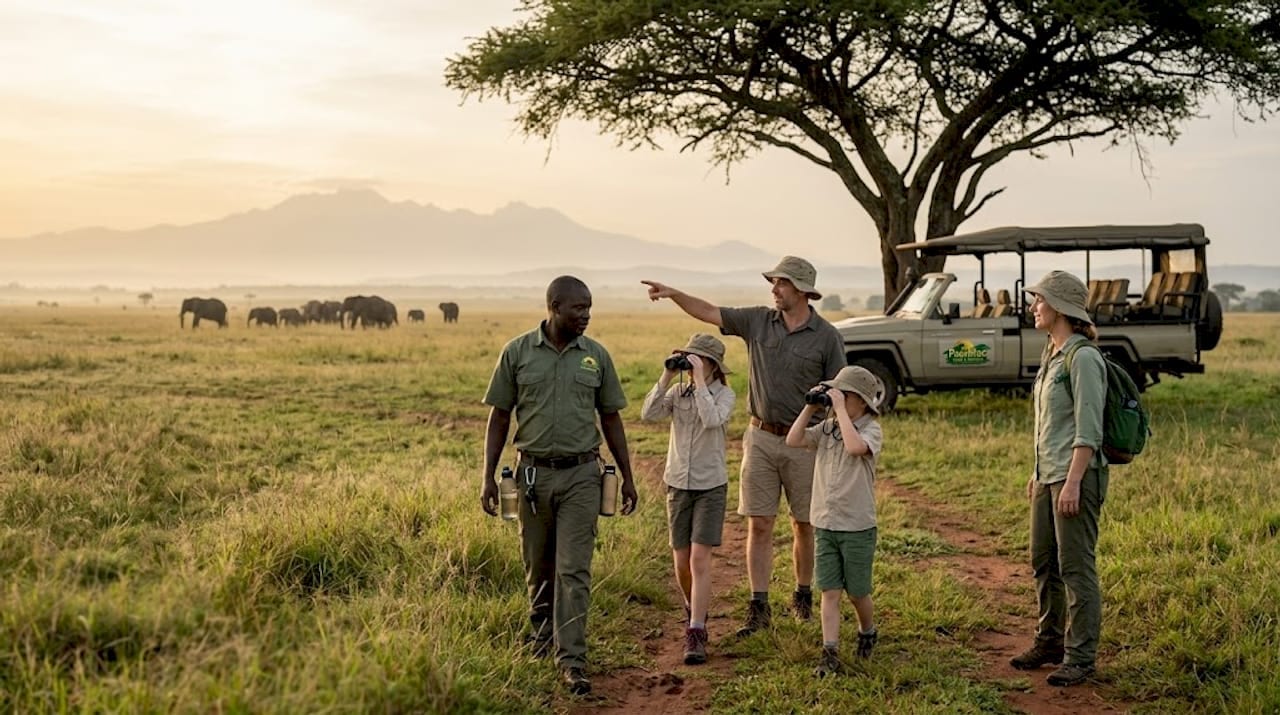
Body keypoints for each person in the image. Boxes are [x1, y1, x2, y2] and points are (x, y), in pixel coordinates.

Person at [642, 256, 845, 636]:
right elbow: (708, 311)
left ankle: (802, 594)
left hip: (804, 441)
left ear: (800, 290)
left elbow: (836, 390)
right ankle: (759, 605)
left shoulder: (827, 336)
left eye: (780, 283)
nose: (773, 289)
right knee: (760, 523)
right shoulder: (757, 321)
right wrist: (673, 295)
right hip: (761, 437)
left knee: (804, 524)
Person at [480, 275, 639, 696]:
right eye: (578, 308)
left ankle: (572, 660)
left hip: (582, 476)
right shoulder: (516, 353)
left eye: (589, 307)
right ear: (553, 307)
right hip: (530, 474)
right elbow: (499, 418)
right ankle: (540, 636)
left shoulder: (596, 356)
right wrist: (489, 478)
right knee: (538, 565)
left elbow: (611, 418)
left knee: (574, 570)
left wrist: (627, 477)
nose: (586, 315)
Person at [1010, 270, 1108, 687]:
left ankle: (1081, 657)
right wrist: (1037, 474)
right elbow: (1047, 424)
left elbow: (1088, 429)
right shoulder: (1053, 352)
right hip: (1047, 475)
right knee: (1043, 562)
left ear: (1062, 308)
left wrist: (1071, 482)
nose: (1034, 306)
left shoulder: (1082, 357)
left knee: (1075, 567)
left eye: (1041, 301)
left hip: (1075, 478)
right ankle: (1049, 641)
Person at [640, 333, 736, 665]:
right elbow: (649, 414)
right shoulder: (678, 392)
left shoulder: (725, 394)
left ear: (713, 365)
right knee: (681, 562)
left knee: (698, 559)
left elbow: (711, 420)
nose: (693, 363)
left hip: (711, 485)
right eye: (690, 358)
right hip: (678, 482)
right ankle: (692, 604)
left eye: (700, 359)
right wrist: (667, 374)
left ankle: (696, 629)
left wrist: (699, 381)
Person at [785, 365, 883, 677]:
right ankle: (830, 651)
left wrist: (839, 408)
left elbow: (855, 448)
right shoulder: (827, 429)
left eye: (846, 395)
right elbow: (793, 439)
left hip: (856, 526)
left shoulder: (871, 430)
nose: (837, 399)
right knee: (829, 591)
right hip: (825, 522)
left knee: (857, 593)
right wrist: (811, 405)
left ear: (863, 402)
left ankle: (867, 631)